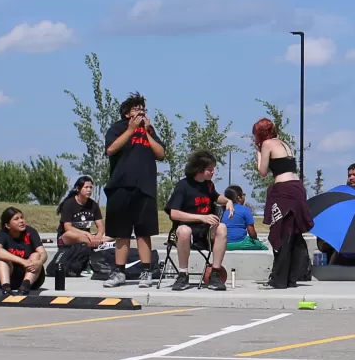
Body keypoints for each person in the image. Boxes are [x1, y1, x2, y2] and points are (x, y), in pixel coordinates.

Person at [102, 94, 167, 288]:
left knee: (143, 232)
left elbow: (161, 153)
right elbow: (111, 149)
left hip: (145, 188)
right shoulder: (117, 128)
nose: (141, 111)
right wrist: (130, 130)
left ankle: (146, 272)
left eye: (143, 108)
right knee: (121, 233)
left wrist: (146, 131)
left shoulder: (149, 130)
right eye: (136, 108)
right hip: (120, 186)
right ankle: (119, 272)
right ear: (127, 113)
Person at [257, 118, 312, 289]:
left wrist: (258, 154)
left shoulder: (266, 144)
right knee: (293, 233)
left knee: (282, 233)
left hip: (284, 190)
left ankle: (279, 278)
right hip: (297, 187)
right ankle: (290, 277)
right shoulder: (284, 143)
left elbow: (262, 171)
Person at [167, 150, 231, 291]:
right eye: (209, 169)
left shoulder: (208, 185)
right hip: (186, 228)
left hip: (205, 231)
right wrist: (201, 217)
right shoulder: (183, 186)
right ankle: (183, 275)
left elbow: (216, 197)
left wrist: (228, 201)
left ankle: (215, 273)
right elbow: (174, 213)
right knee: (184, 231)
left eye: (213, 169)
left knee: (222, 228)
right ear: (199, 169)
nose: (212, 172)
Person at [56, 176, 108, 279]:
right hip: (67, 238)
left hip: (88, 239)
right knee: (76, 236)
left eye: (90, 187)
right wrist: (86, 234)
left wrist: (98, 235)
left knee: (113, 235)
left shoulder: (93, 205)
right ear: (78, 189)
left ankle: (96, 245)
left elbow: (101, 226)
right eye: (86, 187)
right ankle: (96, 248)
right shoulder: (69, 204)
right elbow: (68, 228)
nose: (89, 190)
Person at [0, 207, 46, 295]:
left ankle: (25, 286)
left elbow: (42, 252)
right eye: (16, 219)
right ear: (7, 225)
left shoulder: (30, 232)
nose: (21, 221)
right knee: (2, 260)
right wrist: (23, 261)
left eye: (22, 217)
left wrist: (40, 262)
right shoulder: (2, 234)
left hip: (32, 278)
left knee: (36, 255)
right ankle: (6, 288)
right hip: (11, 276)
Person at [223, 186, 266, 250]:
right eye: (243, 195)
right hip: (240, 242)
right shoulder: (245, 210)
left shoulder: (224, 210)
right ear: (239, 198)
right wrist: (255, 240)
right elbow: (251, 232)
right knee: (263, 247)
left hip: (224, 244)